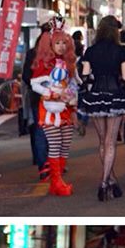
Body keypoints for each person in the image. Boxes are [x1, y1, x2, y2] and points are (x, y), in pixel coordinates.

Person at [78, 16, 125, 201]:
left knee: (102, 141)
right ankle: (104, 183)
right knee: (111, 142)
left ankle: (111, 180)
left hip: (95, 96)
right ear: (115, 32)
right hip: (115, 96)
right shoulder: (121, 52)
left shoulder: (90, 51)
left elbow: (85, 77)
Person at [31, 17, 79, 196]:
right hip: (50, 109)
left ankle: (57, 181)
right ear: (49, 43)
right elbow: (34, 84)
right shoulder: (44, 63)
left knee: (65, 143)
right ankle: (56, 182)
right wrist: (50, 93)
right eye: (57, 42)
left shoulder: (69, 63)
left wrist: (72, 104)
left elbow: (74, 85)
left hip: (65, 108)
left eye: (63, 43)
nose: (61, 46)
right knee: (55, 143)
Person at [22, 24, 51, 182]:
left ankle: (43, 166)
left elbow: (26, 76)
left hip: (36, 97)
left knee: (40, 130)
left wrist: (36, 85)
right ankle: (54, 163)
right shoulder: (56, 53)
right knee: (54, 130)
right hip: (54, 97)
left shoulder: (32, 54)